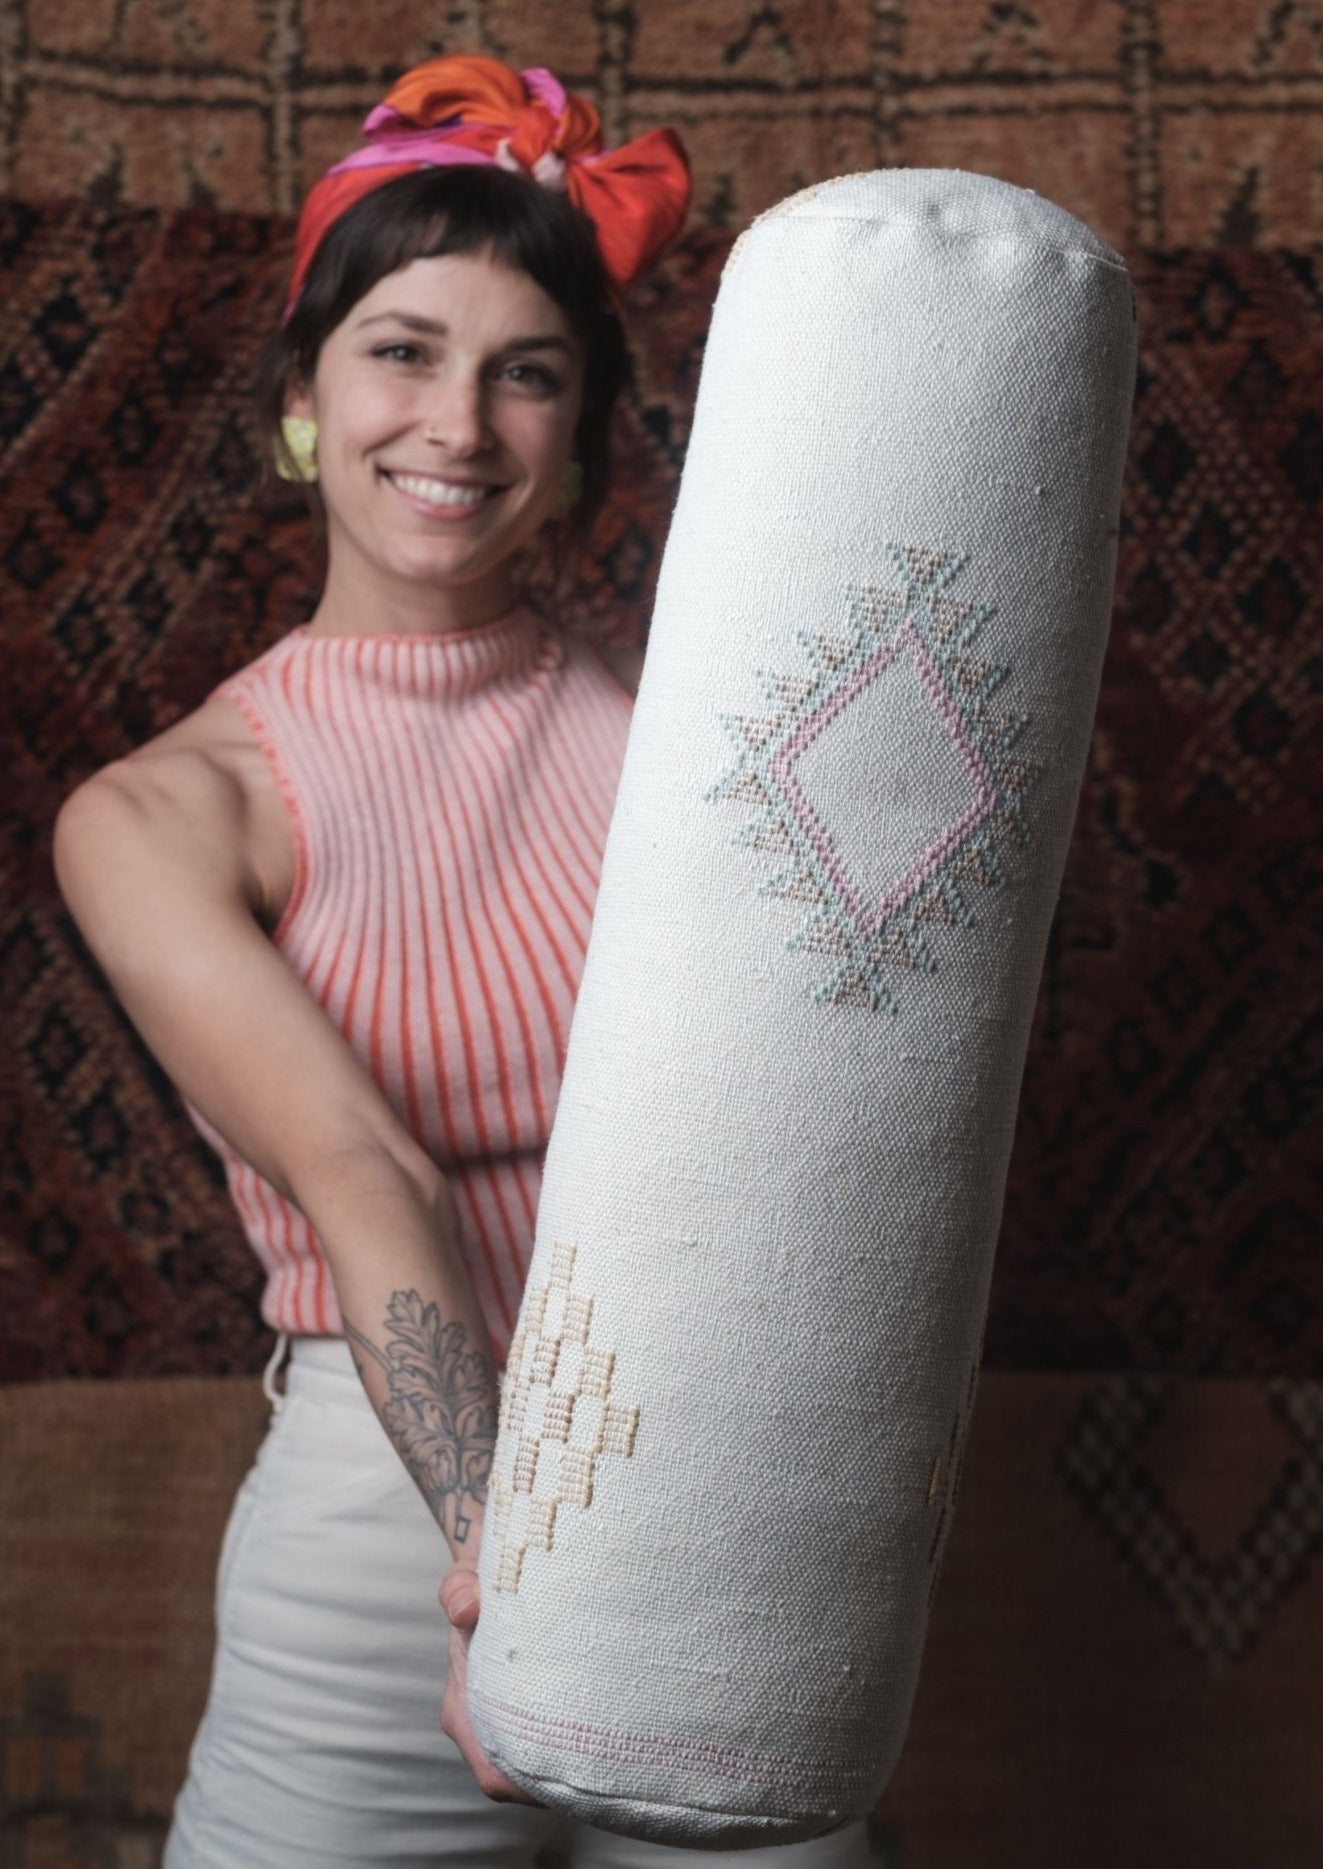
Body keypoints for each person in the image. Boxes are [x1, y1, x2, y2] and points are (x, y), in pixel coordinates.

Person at [53, 55, 880, 1869]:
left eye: (529, 370)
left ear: (582, 433)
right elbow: (372, 1170)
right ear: (301, 398)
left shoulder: (704, 748)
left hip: (725, 1496)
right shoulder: (162, 813)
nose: (461, 422)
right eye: (404, 350)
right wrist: (501, 1544)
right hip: (395, 1516)